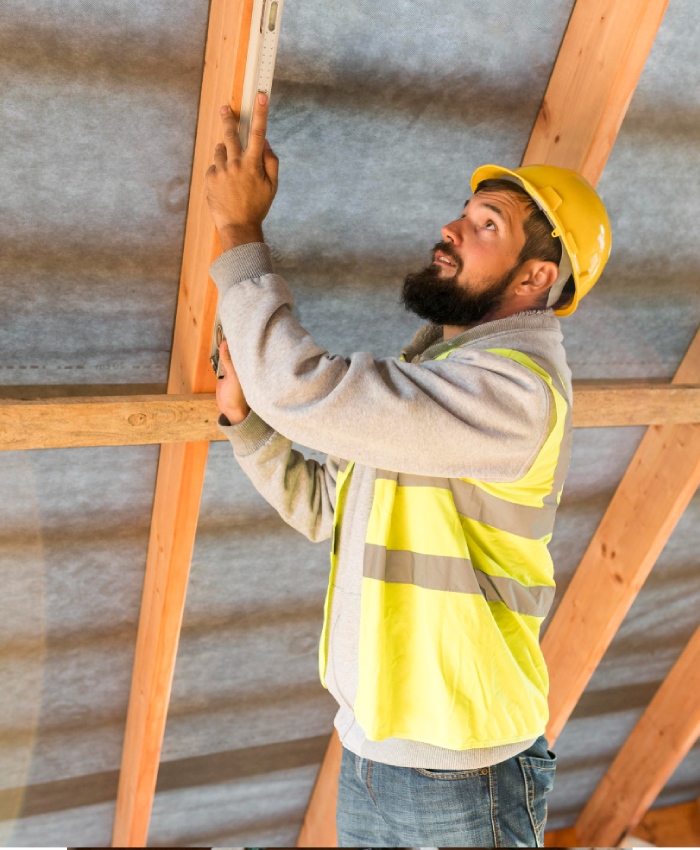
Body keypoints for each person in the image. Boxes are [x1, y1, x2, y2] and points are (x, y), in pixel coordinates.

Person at [205, 93, 611, 847]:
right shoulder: (437, 371)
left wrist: (237, 231)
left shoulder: (513, 392)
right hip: (374, 753)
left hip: (465, 770)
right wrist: (245, 421)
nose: (450, 228)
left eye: (487, 225)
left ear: (534, 278)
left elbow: (302, 387)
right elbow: (328, 506)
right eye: (464, 212)